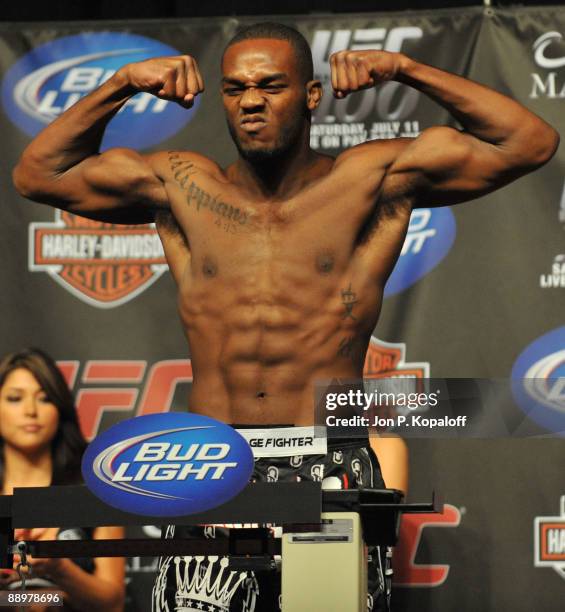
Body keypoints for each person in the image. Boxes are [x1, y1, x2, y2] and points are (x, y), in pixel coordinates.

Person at [12, 21, 558, 612]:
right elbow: (38, 174)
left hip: (327, 462)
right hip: (211, 462)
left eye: (271, 86)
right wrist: (120, 83)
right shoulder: (181, 186)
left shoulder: (370, 180)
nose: (251, 101)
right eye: (235, 88)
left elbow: (528, 142)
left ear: (312, 95)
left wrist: (406, 69)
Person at [0, 348, 125, 612]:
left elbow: (113, 603)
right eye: (14, 398)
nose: (30, 410)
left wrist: (60, 568)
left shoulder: (95, 493)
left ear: (60, 408)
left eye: (44, 399)